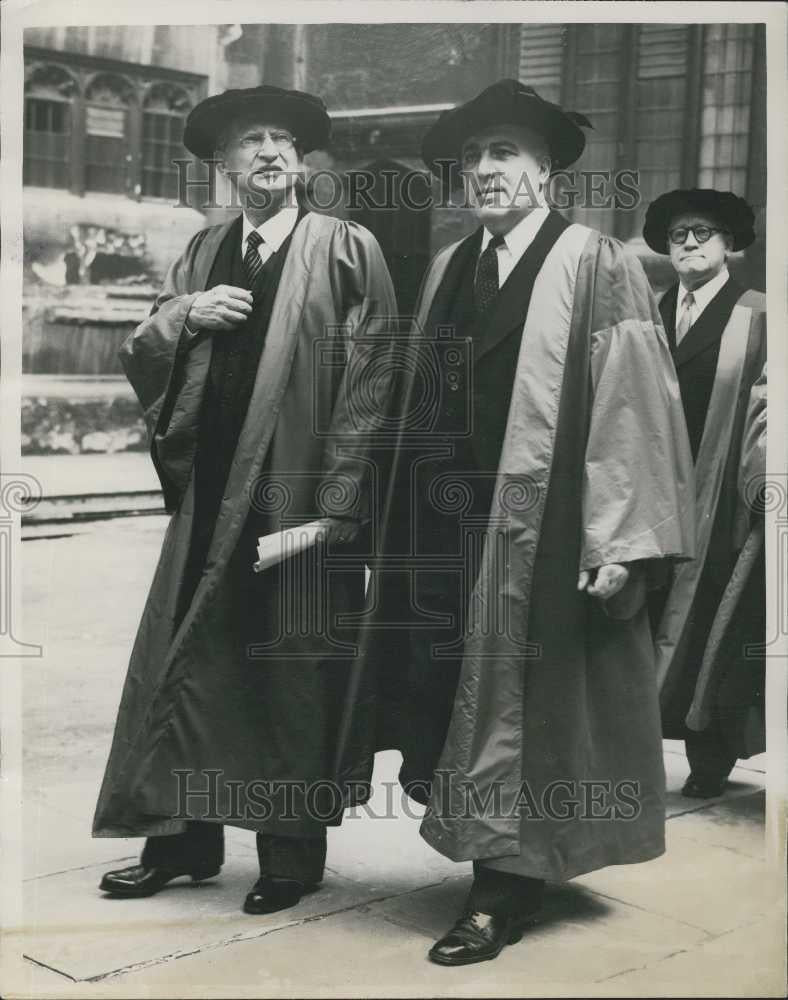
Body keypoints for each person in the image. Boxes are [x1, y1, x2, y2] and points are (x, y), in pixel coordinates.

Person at [336, 78, 695, 967]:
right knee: (455, 696)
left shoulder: (598, 261)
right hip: (448, 530)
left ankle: (504, 892)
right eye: (473, 159)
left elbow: (636, 408)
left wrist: (622, 538)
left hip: (547, 530)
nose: (485, 171)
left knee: (527, 708)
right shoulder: (454, 264)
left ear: (544, 169)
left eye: (504, 154)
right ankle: (492, 853)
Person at [92, 84, 397, 915]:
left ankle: (290, 858)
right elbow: (147, 349)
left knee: (289, 672)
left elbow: (372, 378)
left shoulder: (345, 246)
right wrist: (189, 314)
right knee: (187, 659)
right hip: (212, 493)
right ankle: (181, 843)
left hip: (294, 496)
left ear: (302, 160)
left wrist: (335, 503)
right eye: (249, 141)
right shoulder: (200, 253)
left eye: (281, 139)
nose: (268, 151)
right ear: (223, 165)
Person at [644, 189, 767, 799]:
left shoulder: (760, 315)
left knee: (714, 621)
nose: (689, 244)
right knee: (643, 620)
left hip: (722, 494)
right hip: (651, 492)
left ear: (730, 246)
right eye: (678, 235)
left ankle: (709, 756)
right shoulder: (647, 311)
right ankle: (636, 746)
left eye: (703, 233)